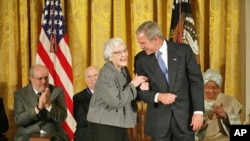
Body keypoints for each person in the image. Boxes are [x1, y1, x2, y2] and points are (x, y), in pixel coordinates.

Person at [133, 21, 204, 141]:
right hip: (159, 123)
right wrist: (158, 96)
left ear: (155, 39)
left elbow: (196, 82)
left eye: (143, 43)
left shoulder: (183, 51)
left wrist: (198, 112)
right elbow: (140, 92)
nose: (141, 47)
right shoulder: (141, 59)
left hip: (184, 120)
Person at [87, 37, 148, 141]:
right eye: (118, 53)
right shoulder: (106, 73)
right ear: (110, 57)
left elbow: (126, 93)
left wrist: (140, 89)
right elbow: (116, 101)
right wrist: (134, 84)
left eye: (125, 50)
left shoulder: (123, 69)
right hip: (104, 123)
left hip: (118, 121)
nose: (124, 55)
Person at [13, 64, 69, 141]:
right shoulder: (20, 94)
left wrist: (49, 105)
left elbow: (62, 117)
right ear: (31, 79)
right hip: (27, 135)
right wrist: (37, 108)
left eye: (46, 78)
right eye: (40, 78)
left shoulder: (57, 91)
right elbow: (19, 120)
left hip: (54, 134)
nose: (44, 81)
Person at [195, 69, 242, 141]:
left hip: (223, 138)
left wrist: (225, 116)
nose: (211, 91)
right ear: (203, 87)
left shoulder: (230, 101)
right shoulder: (196, 100)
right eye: (207, 87)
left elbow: (239, 130)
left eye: (214, 88)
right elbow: (190, 130)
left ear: (219, 88)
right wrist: (208, 120)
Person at [73, 65, 100, 141]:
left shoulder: (109, 94)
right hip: (87, 134)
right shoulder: (79, 98)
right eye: (89, 77)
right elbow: (81, 120)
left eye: (95, 75)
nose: (93, 79)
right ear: (85, 80)